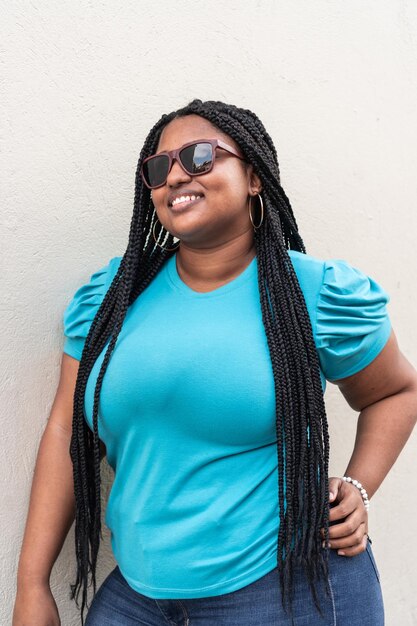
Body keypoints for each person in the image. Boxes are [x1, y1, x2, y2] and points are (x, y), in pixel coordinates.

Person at [13, 99, 417, 626]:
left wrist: (358, 488)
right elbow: (66, 430)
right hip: (139, 599)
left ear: (253, 177)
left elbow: (394, 392)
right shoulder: (110, 299)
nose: (176, 174)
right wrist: (31, 583)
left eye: (200, 156)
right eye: (159, 168)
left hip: (288, 590)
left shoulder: (314, 294)